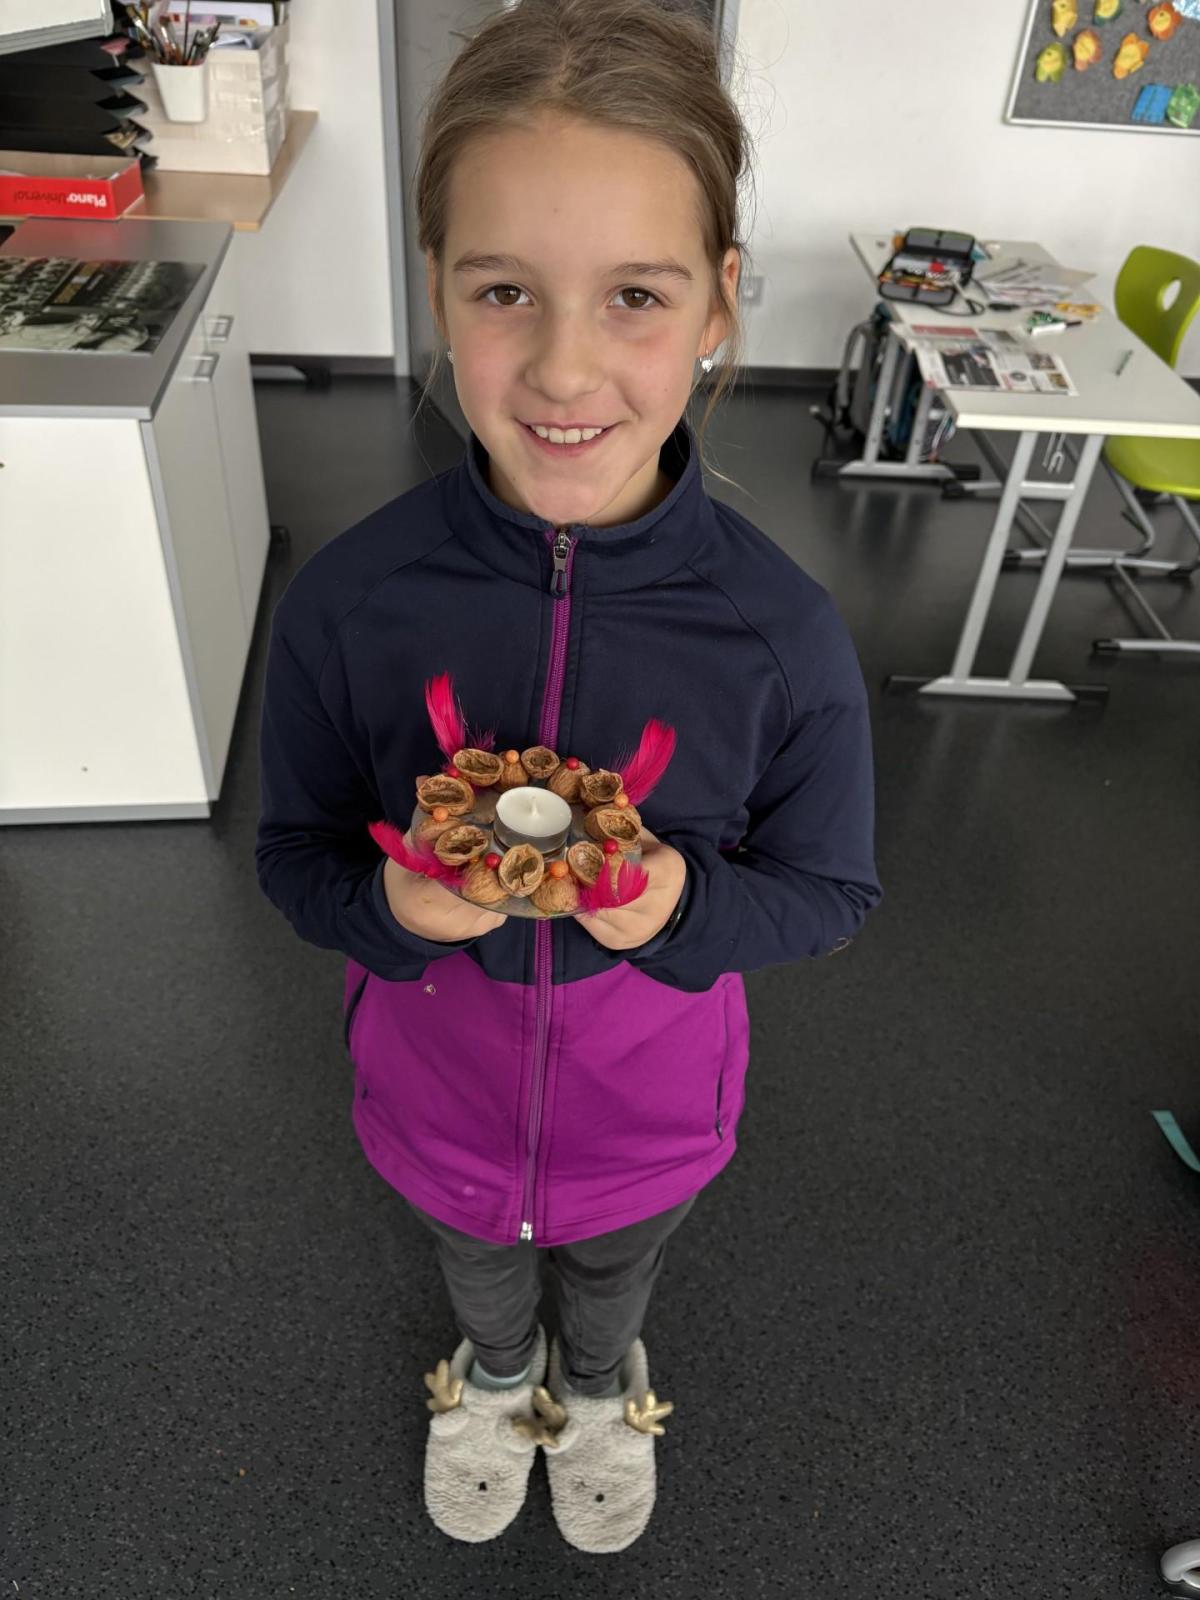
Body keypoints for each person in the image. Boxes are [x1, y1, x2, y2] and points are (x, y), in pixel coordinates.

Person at [254, 0, 881, 1557]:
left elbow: (828, 892)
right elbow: (294, 855)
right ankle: (492, 1373)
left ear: (721, 300)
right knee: (477, 1263)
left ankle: (599, 1384)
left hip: (650, 1110)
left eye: (637, 296)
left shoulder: (782, 638)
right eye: (504, 291)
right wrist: (394, 907)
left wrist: (678, 906)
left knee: (615, 1270)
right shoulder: (349, 603)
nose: (563, 366)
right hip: (437, 1094)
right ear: (436, 290)